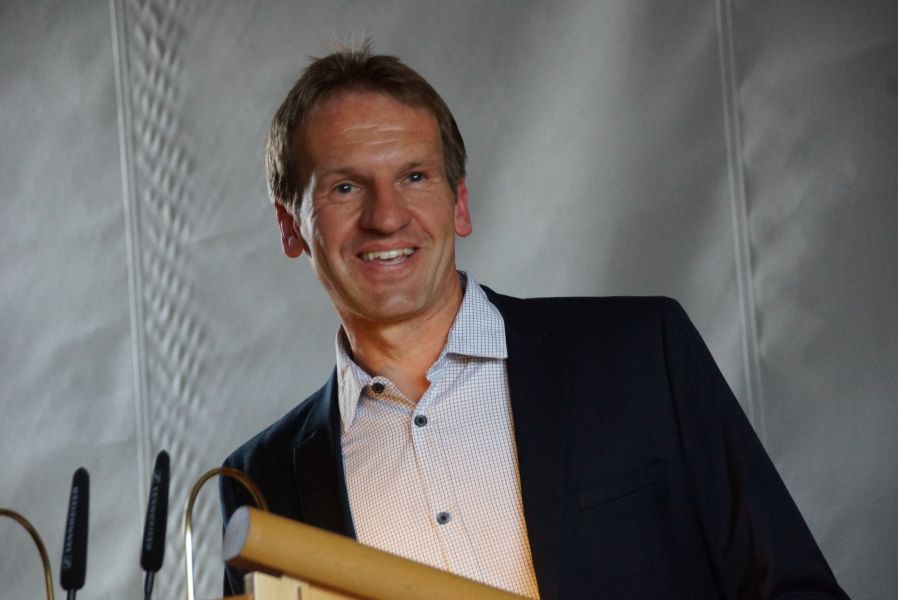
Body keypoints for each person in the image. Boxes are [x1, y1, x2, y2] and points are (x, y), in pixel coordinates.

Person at [220, 45, 848, 599]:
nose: (387, 217)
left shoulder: (641, 354)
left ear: (458, 202)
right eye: (344, 188)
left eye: (415, 176)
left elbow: (792, 588)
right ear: (290, 226)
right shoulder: (261, 482)